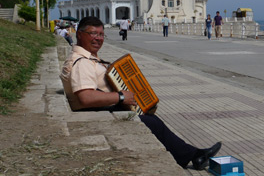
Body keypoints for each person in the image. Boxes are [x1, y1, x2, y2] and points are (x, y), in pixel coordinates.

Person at [60, 16, 221, 170]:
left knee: (151, 119)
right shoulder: (82, 63)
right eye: (93, 33)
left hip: (101, 110)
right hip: (95, 114)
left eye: (101, 34)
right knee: (152, 122)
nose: (98, 38)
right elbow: (86, 97)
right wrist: (121, 96)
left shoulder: (88, 59)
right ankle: (194, 156)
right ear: (79, 35)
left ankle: (194, 155)